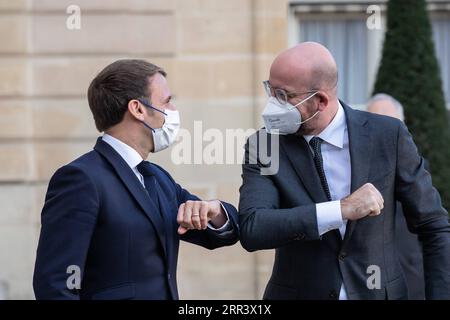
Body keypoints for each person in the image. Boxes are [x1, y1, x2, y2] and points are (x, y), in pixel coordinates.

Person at [238, 42, 450, 300]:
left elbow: (433, 225)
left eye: (284, 96)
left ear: (321, 101)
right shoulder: (264, 145)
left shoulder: (388, 136)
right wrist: (340, 209)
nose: (273, 104)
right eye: (271, 91)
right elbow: (254, 228)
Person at [33, 59, 239, 300]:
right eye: (167, 101)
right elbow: (55, 285)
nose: (173, 111)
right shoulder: (81, 179)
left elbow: (225, 232)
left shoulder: (158, 178)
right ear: (138, 109)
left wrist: (214, 211)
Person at [367, 93, 425, 299]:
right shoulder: (350, 173)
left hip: (412, 284)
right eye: (375, 123)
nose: (383, 132)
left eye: (390, 123)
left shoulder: (417, 170)